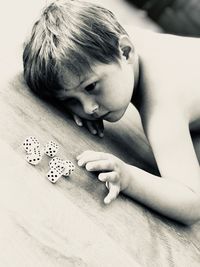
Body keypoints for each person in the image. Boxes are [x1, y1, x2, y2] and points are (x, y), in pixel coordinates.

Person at [23, 0, 200, 225]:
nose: (88, 108)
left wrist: (129, 178)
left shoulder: (163, 107)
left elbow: (192, 203)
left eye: (90, 87)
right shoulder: (111, 43)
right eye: (72, 101)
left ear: (126, 52)